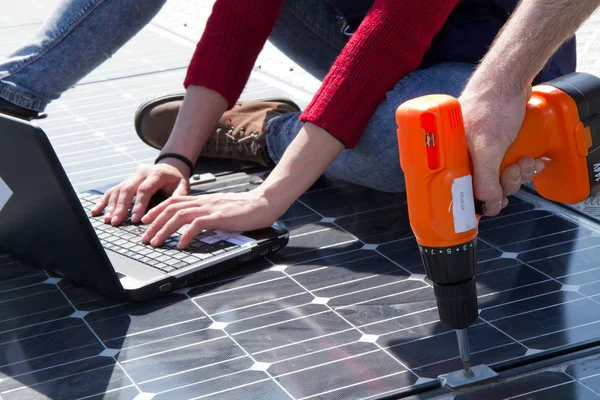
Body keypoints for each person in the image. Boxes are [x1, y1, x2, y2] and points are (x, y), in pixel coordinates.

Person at [0, 0, 592, 249]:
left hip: (479, 71)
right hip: (346, 32)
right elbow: (242, 15)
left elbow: (390, 39)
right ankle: (10, 97)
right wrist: (174, 159)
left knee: (405, 146)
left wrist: (267, 197)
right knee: (395, 132)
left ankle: (266, 134)